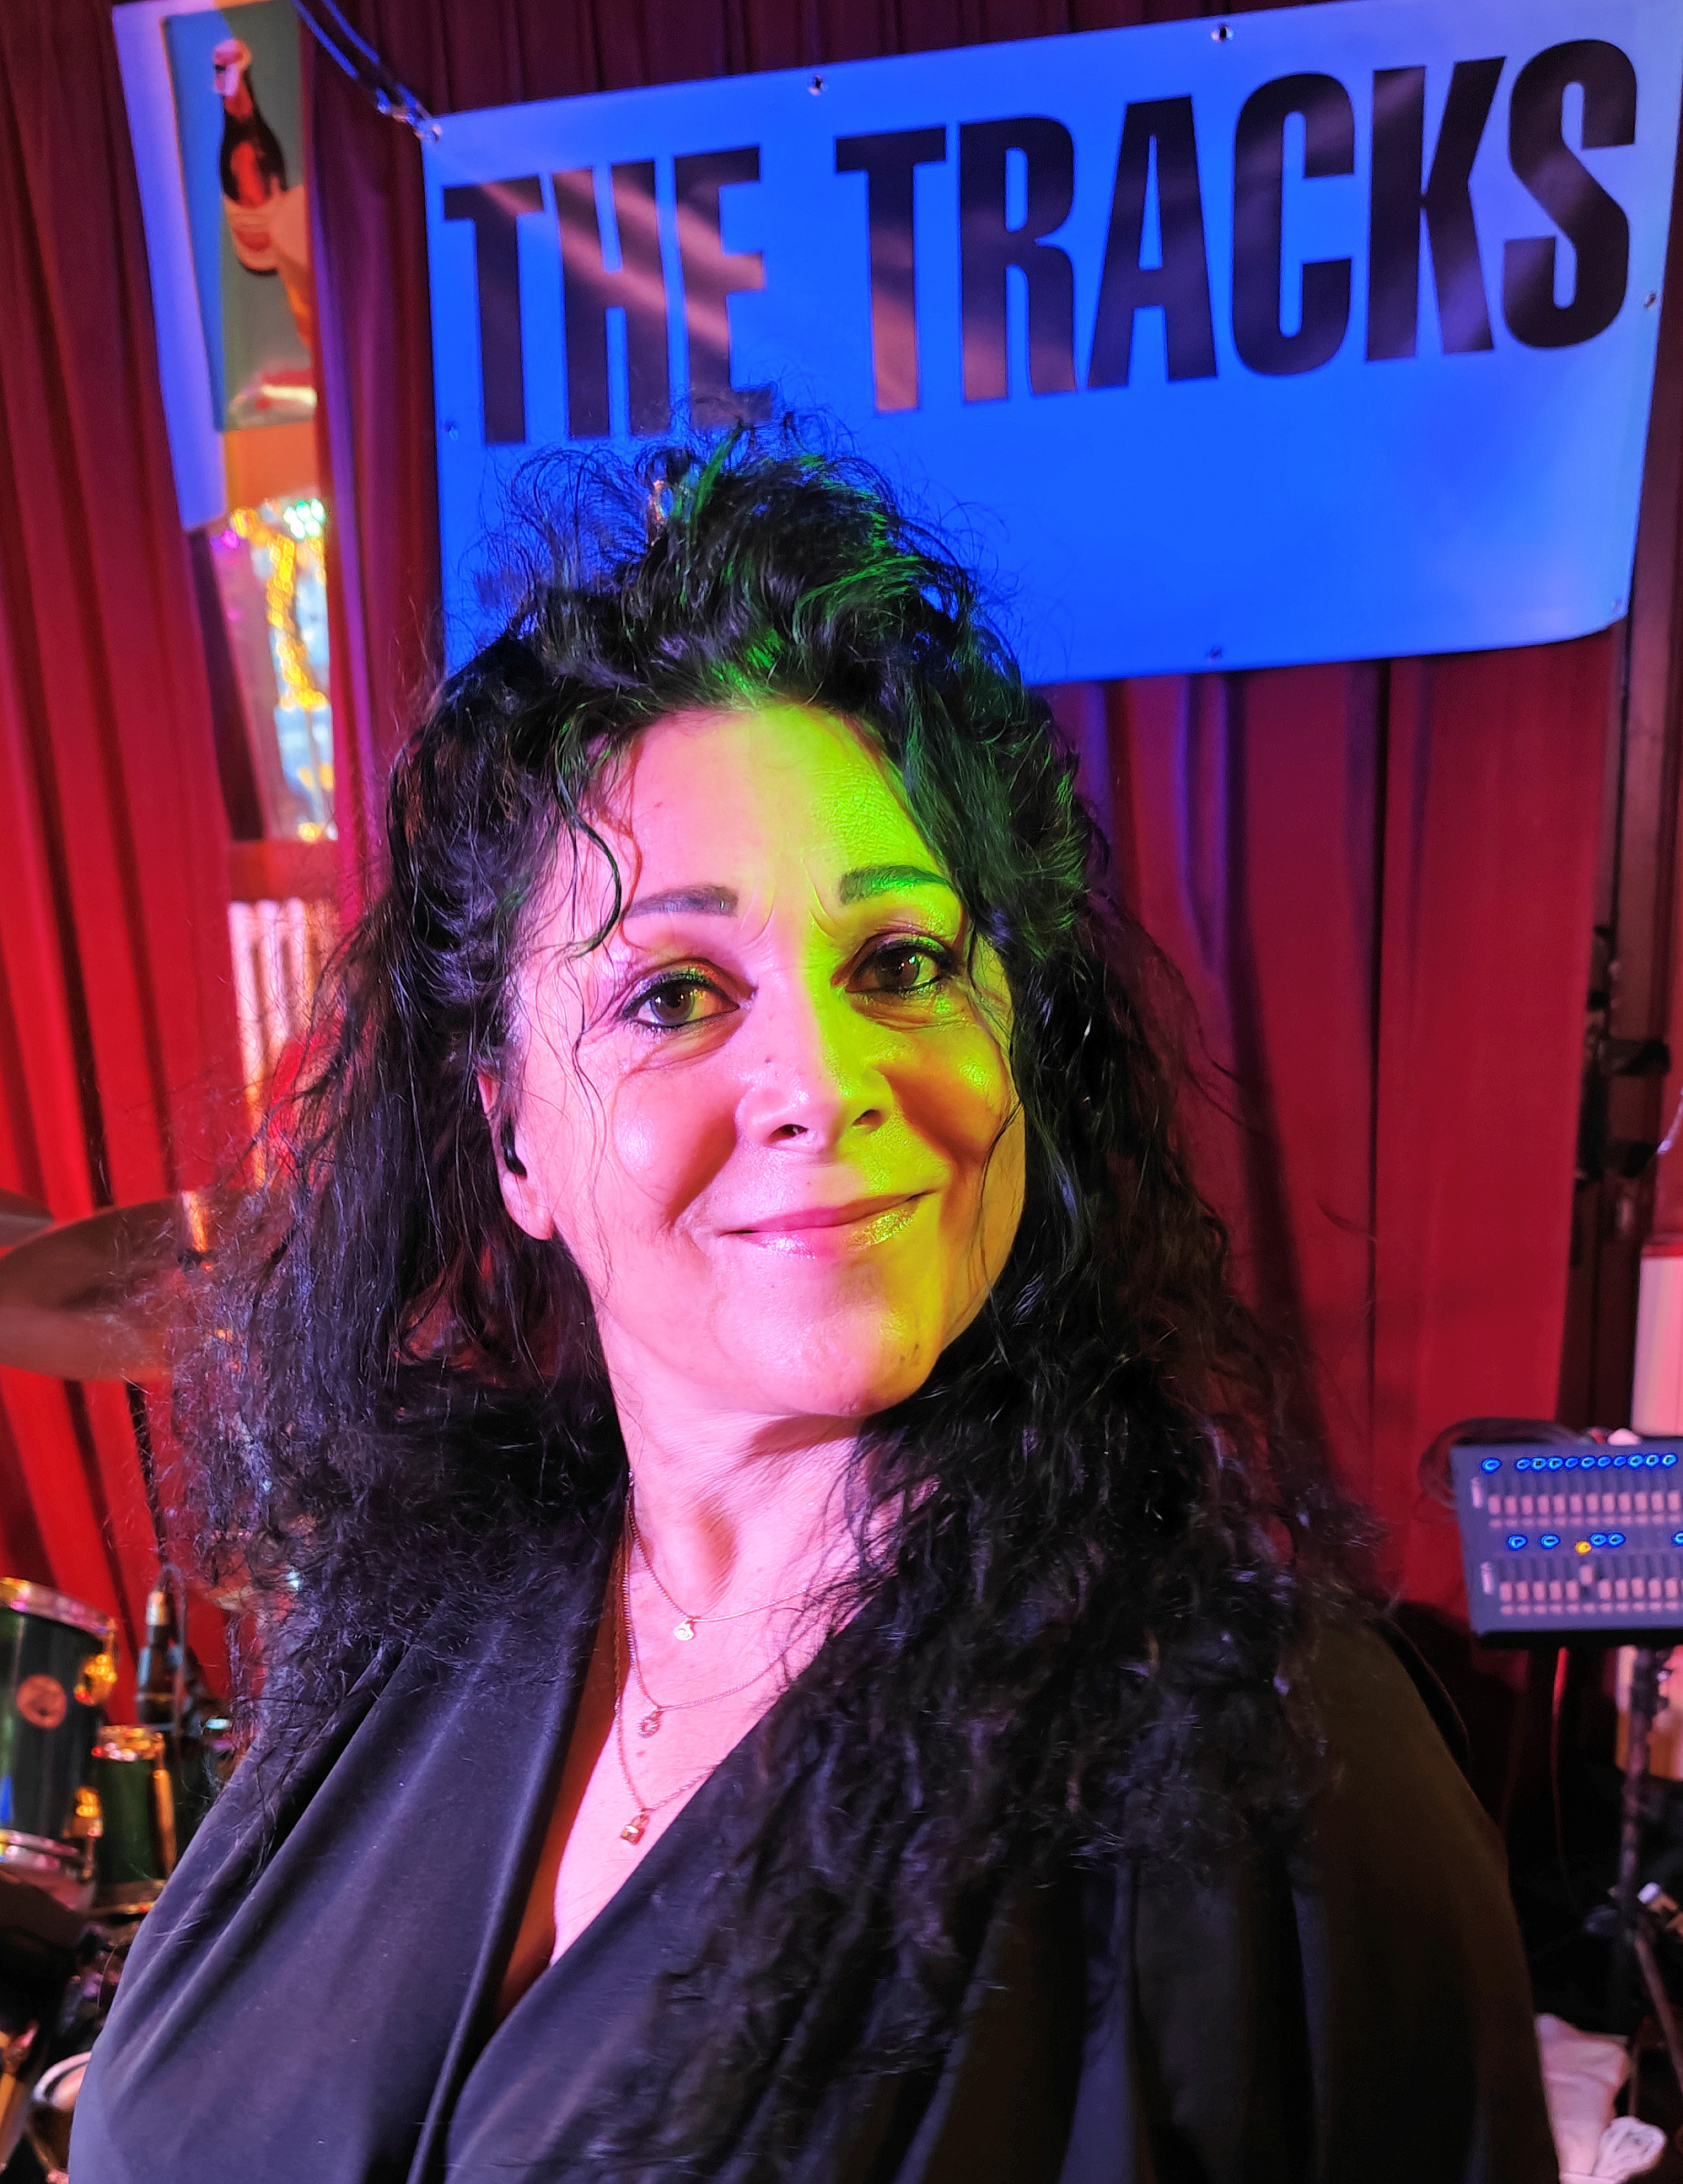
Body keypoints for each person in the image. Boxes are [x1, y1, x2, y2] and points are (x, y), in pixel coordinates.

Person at [73, 435, 1555, 2183]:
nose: (825, 1079)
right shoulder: (417, 1619)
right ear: (512, 1137)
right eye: (674, 994)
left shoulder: (1273, 1758)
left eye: (902, 962)